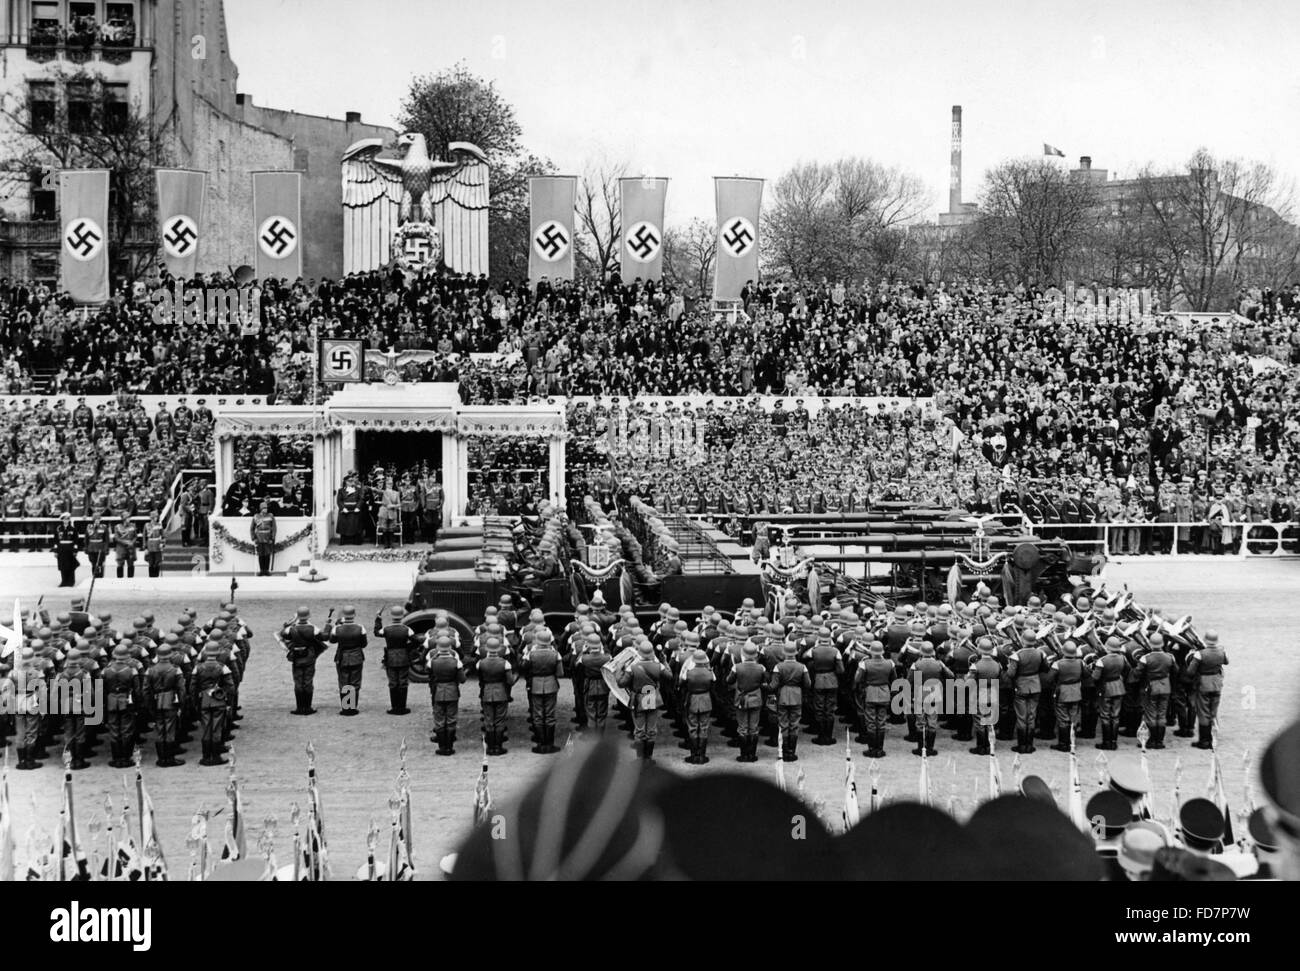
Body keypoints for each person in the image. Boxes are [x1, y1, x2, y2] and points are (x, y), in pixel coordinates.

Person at [520, 629, 563, 754]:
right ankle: (550, 744)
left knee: (538, 715)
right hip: (551, 685)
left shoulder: (531, 654)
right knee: (550, 715)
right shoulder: (555, 654)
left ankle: (541, 744)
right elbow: (560, 673)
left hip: (536, 685)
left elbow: (524, 667)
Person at [281, 606, 328, 715]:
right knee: (308, 681)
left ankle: (299, 708)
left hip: (297, 658)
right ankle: (307, 707)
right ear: (308, 616)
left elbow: (283, 633)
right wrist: (328, 625)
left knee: (298, 682)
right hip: (310, 657)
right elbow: (324, 637)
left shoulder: (292, 629)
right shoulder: (313, 628)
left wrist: (291, 621)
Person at [145, 643, 187, 767]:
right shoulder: (175, 669)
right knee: (169, 731)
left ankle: (161, 758)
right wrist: (181, 704)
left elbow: (146, 690)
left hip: (156, 701)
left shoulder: (150, 670)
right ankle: (170, 758)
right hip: (170, 702)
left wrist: (150, 706)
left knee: (159, 731)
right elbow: (181, 689)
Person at [193, 642, 235, 766]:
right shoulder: (222, 667)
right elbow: (231, 687)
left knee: (206, 729)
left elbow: (192, 687)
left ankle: (206, 757)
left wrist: (196, 702)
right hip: (218, 699)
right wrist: (228, 701)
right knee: (216, 729)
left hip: (204, 700)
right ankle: (216, 757)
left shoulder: (198, 667)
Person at [769, 642, 811, 763]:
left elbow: (774, 685)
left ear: (784, 653)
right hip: (797, 696)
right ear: (796, 653)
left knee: (783, 724)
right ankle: (791, 752)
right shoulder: (802, 667)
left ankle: (784, 751)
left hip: (782, 695)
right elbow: (808, 684)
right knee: (794, 724)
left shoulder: (778, 666)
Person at [1186, 630, 1227, 750]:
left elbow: (1190, 671)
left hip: (1203, 684)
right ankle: (1213, 739)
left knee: (1203, 713)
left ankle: (1204, 741)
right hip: (1217, 683)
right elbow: (1226, 661)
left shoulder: (1200, 654)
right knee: (1213, 712)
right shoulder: (1222, 651)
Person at [473, 636, 515, 756]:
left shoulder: (480, 663)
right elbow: (510, 681)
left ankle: (490, 747)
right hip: (501, 692)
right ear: (498, 649)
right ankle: (498, 746)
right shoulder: (505, 663)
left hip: (487, 692)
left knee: (489, 720)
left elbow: (480, 679)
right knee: (500, 720)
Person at [374, 605, 419, 716]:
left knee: (393, 683)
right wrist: (407, 648)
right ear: (402, 615)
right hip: (403, 657)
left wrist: (378, 618)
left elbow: (376, 632)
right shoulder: (407, 629)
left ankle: (394, 707)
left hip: (390, 658)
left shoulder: (386, 629)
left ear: (391, 616)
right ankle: (402, 707)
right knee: (403, 682)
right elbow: (416, 641)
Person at [1006, 630, 1046, 754]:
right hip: (1035, 685)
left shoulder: (1016, 655)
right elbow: (1045, 668)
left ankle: (1022, 745)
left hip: (1021, 686)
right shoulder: (1041, 653)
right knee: (1031, 716)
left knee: (1021, 717)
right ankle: (1030, 745)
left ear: (1023, 640)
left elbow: (1010, 674)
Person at [727, 640, 767, 763]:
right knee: (754, 727)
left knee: (742, 727)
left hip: (741, 699)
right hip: (756, 699)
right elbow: (765, 682)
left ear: (743, 654)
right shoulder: (761, 668)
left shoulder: (737, 667)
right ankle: (752, 755)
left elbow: (729, 680)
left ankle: (744, 755)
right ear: (755, 655)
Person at [102, 643, 139, 768]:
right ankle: (125, 757)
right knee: (126, 729)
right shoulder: (131, 670)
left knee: (113, 730)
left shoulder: (106, 670)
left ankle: (116, 758)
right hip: (126, 701)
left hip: (111, 701)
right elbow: (137, 690)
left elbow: (102, 689)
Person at [427, 638, 465, 755]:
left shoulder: (432, 661)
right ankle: (449, 747)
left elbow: (428, 673)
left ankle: (442, 747)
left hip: (438, 691)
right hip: (452, 691)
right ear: (450, 647)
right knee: (451, 719)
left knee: (439, 719)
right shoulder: (456, 661)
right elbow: (462, 679)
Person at [326, 605, 367, 715]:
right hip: (356, 657)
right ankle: (352, 708)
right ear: (354, 615)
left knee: (344, 682)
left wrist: (335, 626)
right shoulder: (360, 628)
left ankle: (345, 708)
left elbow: (332, 640)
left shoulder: (337, 629)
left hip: (342, 657)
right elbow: (364, 644)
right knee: (355, 683)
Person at [681, 648, 715, 764]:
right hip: (706, 700)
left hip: (693, 700)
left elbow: (682, 683)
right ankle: (702, 755)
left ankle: (694, 755)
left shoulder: (689, 672)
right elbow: (713, 684)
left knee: (693, 727)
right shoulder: (710, 672)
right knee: (704, 727)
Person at [577, 632, 612, 733]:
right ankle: (600, 739)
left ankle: (593, 738)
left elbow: (575, 666)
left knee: (591, 714)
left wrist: (582, 652)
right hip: (603, 686)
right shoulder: (607, 657)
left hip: (590, 686)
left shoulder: (583, 658)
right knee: (602, 713)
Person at [336, 473, 365, 545]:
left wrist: (358, 507)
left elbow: (361, 499)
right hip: (345, 510)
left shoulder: (358, 490)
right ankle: (344, 541)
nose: (351, 482)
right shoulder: (341, 490)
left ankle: (356, 541)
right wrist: (343, 508)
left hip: (355, 510)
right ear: (345, 482)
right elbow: (339, 501)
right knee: (344, 526)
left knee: (355, 525)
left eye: (352, 481)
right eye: (349, 481)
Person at [251, 500, 277, 576]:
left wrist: (272, 537)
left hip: (268, 539)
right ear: (261, 509)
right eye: (264, 508)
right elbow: (252, 528)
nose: (266, 509)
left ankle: (266, 570)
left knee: (267, 555)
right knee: (261, 555)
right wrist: (253, 538)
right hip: (259, 539)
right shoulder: (256, 516)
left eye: (266, 508)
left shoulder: (270, 516)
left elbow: (274, 527)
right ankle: (261, 570)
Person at [53, 511, 79, 587]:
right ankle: (64, 581)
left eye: (67, 519)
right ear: (62, 520)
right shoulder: (58, 529)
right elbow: (55, 540)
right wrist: (55, 551)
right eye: (64, 519)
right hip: (61, 549)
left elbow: (76, 541)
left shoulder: (73, 529)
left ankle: (71, 581)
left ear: (69, 520)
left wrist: (75, 550)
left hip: (70, 549)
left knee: (71, 566)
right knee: (62, 566)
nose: (66, 520)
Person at [84, 513, 109, 579]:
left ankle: (100, 576)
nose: (97, 520)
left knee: (100, 563)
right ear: (93, 520)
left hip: (100, 548)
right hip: (91, 548)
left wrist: (106, 548)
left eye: (98, 519)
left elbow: (106, 539)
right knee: (93, 563)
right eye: (96, 519)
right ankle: (94, 577)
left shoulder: (104, 527)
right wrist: (86, 548)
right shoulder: (89, 527)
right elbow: (86, 538)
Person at [112, 510, 137, 578]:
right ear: (124, 519)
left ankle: (130, 580)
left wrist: (132, 542)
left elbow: (135, 536)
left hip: (130, 547)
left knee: (130, 564)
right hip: (121, 548)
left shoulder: (133, 526)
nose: (129, 519)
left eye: (129, 517)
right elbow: (117, 538)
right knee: (120, 564)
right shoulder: (118, 527)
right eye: (127, 518)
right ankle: (120, 581)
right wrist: (126, 542)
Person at [143, 510, 166, 578]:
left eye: (157, 517)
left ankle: (156, 577)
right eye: (155, 517)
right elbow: (144, 537)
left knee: (157, 562)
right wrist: (145, 547)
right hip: (150, 546)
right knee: (151, 562)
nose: (156, 518)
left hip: (157, 546)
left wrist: (162, 544)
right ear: (152, 518)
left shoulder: (159, 525)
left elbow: (163, 536)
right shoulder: (147, 525)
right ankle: (151, 577)